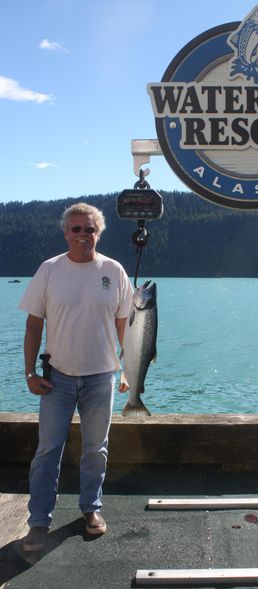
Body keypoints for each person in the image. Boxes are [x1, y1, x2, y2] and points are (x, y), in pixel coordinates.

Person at [19, 202, 132, 552]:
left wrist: (128, 369)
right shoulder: (49, 270)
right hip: (58, 378)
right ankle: (39, 521)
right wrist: (29, 372)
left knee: (96, 449)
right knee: (47, 451)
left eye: (90, 229)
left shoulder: (113, 271)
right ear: (66, 232)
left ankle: (91, 509)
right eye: (76, 229)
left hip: (102, 377)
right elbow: (34, 323)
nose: (83, 235)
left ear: (99, 233)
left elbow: (125, 322)